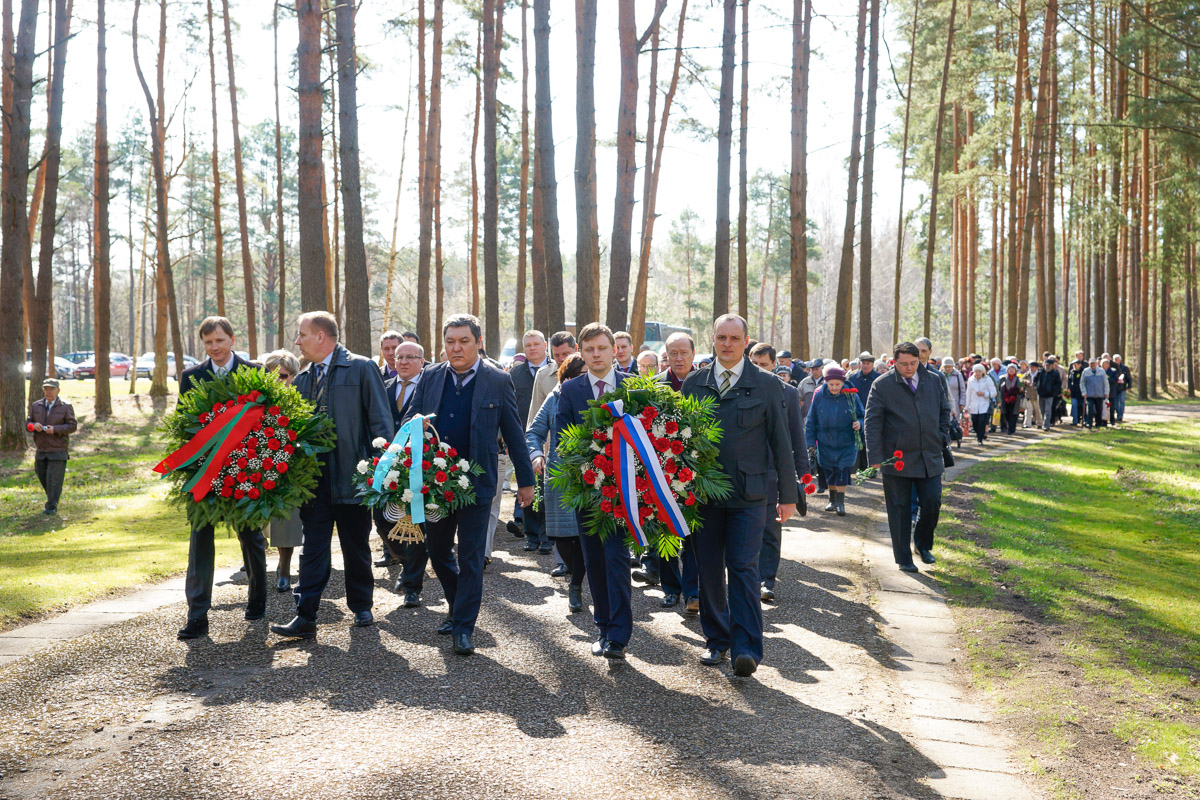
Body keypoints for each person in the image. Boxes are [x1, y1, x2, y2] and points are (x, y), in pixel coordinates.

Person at [401, 313, 535, 656]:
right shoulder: (429, 376)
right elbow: (408, 421)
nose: (455, 348)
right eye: (450, 341)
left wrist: (526, 480)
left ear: (478, 343)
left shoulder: (497, 379)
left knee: (472, 557)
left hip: (477, 484)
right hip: (436, 484)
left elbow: (514, 433)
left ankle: (463, 627)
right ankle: (458, 604)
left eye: (463, 341)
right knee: (438, 551)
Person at [682, 315, 797, 678]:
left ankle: (746, 648)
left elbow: (782, 443)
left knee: (744, 567)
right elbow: (678, 442)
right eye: (721, 337)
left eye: (734, 338)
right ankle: (717, 640)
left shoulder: (765, 384)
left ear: (746, 341)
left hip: (750, 495)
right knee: (710, 570)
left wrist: (789, 496)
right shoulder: (694, 383)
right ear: (712, 340)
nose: (727, 344)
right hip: (703, 495)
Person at [271, 311, 394, 641]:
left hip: (354, 477)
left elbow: (381, 424)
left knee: (356, 547)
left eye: (302, 335)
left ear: (321, 337)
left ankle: (362, 607)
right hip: (316, 483)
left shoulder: (362, 368)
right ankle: (305, 614)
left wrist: (379, 472)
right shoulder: (306, 378)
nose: (297, 342)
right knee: (313, 548)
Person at [177, 316, 268, 640]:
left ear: (232, 339)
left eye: (219, 340)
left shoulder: (254, 372)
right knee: (200, 538)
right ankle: (197, 615)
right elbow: (184, 421)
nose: (214, 347)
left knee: (251, 536)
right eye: (208, 343)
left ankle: (258, 599)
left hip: (244, 469)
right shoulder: (191, 377)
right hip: (206, 471)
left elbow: (266, 419)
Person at [554, 323, 636, 660]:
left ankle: (618, 635)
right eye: (589, 350)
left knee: (617, 559)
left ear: (614, 349)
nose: (596, 355)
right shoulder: (571, 391)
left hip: (627, 492)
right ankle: (603, 627)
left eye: (602, 348)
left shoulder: (633, 388)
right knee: (595, 561)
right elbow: (562, 439)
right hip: (587, 491)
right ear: (581, 353)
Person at [864, 342, 951, 574]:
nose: (910, 368)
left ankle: (923, 545)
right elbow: (872, 422)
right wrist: (875, 456)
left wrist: (942, 436)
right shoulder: (882, 385)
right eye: (904, 364)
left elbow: (944, 410)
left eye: (914, 363)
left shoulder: (933, 379)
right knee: (900, 508)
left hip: (929, 455)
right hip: (897, 459)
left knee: (932, 502)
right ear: (894, 362)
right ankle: (903, 558)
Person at [636, 332, 701, 610]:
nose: (678, 358)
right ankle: (671, 588)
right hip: (661, 470)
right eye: (672, 353)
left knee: (695, 534)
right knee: (665, 531)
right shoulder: (654, 386)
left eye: (683, 352)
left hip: (698, 470)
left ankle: (694, 592)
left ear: (693, 354)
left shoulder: (705, 384)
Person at [527, 354, 589, 614]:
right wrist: (537, 454)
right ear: (567, 377)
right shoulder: (555, 398)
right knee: (563, 537)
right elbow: (534, 432)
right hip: (559, 475)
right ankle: (574, 574)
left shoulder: (599, 396)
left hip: (592, 476)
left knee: (585, 536)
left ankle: (575, 585)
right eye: (577, 375)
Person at [748, 343, 810, 604]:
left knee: (771, 528)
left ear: (775, 365)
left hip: (775, 469)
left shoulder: (788, 393)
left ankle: (766, 580)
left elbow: (797, 435)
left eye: (764, 364)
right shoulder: (741, 388)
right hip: (747, 469)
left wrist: (803, 473)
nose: (759, 369)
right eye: (754, 363)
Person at [382, 340, 429, 606]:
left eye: (410, 357)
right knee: (383, 520)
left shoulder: (429, 388)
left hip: (419, 467)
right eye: (399, 357)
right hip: (386, 466)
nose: (402, 361)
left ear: (422, 362)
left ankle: (412, 585)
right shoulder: (384, 387)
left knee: (417, 524)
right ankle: (402, 559)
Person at [263, 350, 304, 593]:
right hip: (258, 466)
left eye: (282, 375)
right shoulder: (255, 400)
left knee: (286, 520)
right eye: (271, 375)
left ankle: (284, 568)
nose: (277, 380)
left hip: (290, 468)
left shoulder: (300, 400)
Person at [510, 330, 551, 552]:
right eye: (528, 345)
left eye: (536, 344)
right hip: (522, 440)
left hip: (549, 438)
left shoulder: (554, 371)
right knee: (527, 486)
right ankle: (531, 535)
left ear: (545, 345)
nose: (532, 348)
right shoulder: (515, 374)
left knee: (546, 488)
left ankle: (547, 536)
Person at [805, 365, 863, 517]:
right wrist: (810, 442)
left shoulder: (851, 396)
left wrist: (859, 424)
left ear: (843, 383)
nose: (834, 387)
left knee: (843, 470)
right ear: (826, 383)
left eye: (838, 384)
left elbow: (862, 416)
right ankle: (832, 499)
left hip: (846, 441)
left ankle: (841, 502)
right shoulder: (819, 396)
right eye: (831, 384)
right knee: (829, 470)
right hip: (825, 441)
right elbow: (811, 420)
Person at [26, 378, 77, 516]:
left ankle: (51, 506)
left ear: (58, 391)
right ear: (43, 390)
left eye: (52, 389)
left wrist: (55, 429)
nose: (49, 392)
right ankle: (54, 497)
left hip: (58, 449)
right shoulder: (36, 405)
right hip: (41, 449)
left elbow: (72, 426)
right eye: (46, 389)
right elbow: (28, 423)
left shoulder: (66, 406)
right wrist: (33, 426)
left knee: (53, 479)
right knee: (43, 476)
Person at [528, 331, 578, 428]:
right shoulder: (543, 375)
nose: (561, 359)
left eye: (565, 354)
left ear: (576, 348)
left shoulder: (588, 372)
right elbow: (535, 413)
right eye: (556, 355)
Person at [964, 364, 996, 444]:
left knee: (982, 422)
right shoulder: (971, 380)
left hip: (984, 405)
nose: (977, 373)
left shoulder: (987, 379)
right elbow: (968, 394)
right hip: (973, 405)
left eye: (979, 372)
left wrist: (984, 394)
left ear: (983, 372)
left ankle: (980, 439)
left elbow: (994, 392)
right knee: (975, 423)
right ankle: (978, 434)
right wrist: (966, 407)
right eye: (976, 371)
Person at [1080, 357, 1109, 428]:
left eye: (1094, 363)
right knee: (1090, 409)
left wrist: (1106, 392)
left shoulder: (1101, 371)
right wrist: (1084, 392)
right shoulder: (1085, 371)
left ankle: (1098, 423)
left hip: (1100, 394)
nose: (1092, 365)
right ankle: (1089, 423)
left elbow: (1106, 383)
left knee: (1099, 409)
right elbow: (1082, 383)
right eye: (1091, 364)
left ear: (1096, 364)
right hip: (1089, 394)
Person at [1034, 358, 1062, 431]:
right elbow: (1035, 380)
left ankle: (1046, 425)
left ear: (1052, 365)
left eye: (1049, 365)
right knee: (1042, 410)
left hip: (1050, 395)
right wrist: (1037, 387)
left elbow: (1058, 384)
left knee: (1048, 410)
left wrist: (1053, 391)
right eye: (1046, 365)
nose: (1047, 366)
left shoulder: (1055, 373)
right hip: (1040, 394)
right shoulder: (1040, 372)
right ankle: (1044, 422)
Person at [998, 364, 1022, 434]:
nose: (1011, 370)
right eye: (1010, 369)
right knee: (1006, 414)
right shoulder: (1002, 378)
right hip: (1005, 399)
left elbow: (1021, 391)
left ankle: (1012, 429)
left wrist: (1021, 389)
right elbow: (999, 389)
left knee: (1013, 414)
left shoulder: (1019, 379)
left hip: (1015, 400)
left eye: (1013, 369)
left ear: (1015, 370)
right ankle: (1008, 427)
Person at [1110, 354, 1132, 422]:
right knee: (1116, 403)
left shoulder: (1125, 368)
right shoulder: (1112, 368)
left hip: (1122, 387)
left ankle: (1120, 416)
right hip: (1115, 387)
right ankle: (1118, 414)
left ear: (1120, 360)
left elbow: (1128, 378)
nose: (1116, 360)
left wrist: (1129, 386)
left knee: (1122, 402)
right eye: (1115, 359)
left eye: (1117, 359)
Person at [1067, 355, 1086, 426]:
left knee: (1083, 406)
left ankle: (1084, 420)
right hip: (1074, 392)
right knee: (1074, 406)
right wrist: (1069, 388)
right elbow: (1069, 380)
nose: (1074, 366)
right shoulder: (1072, 372)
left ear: (1080, 364)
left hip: (1082, 392)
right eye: (1073, 365)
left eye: (1076, 365)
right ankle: (1075, 421)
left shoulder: (1084, 372)